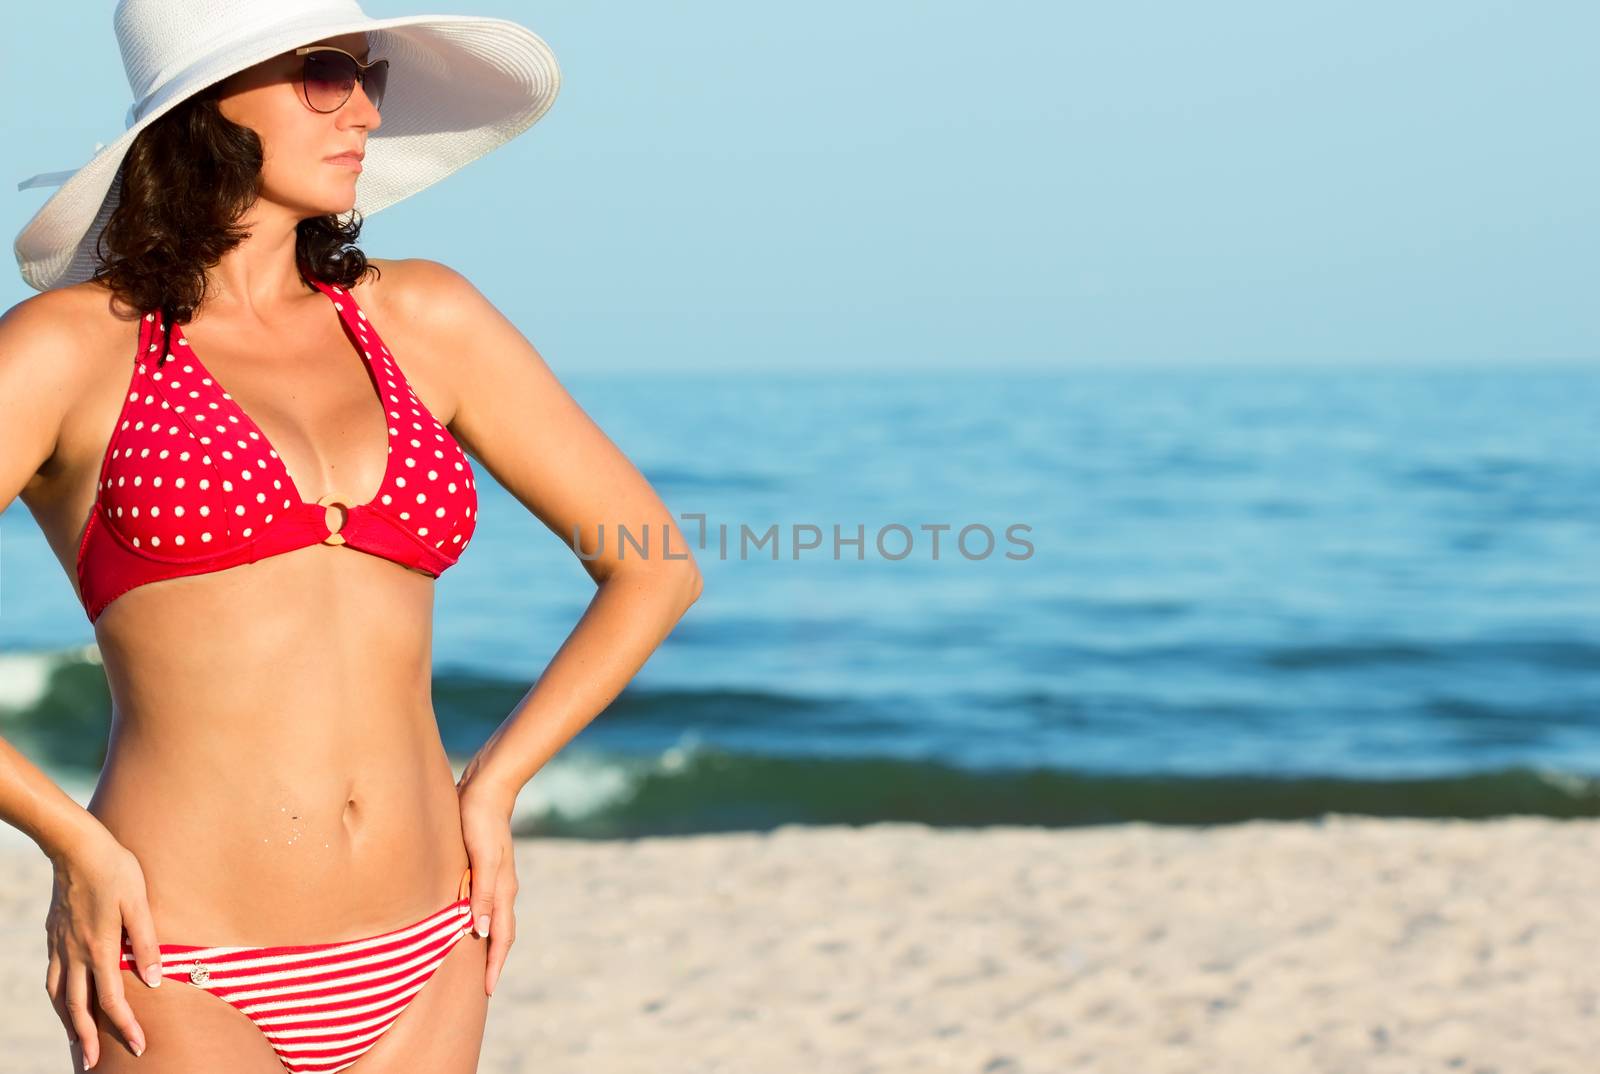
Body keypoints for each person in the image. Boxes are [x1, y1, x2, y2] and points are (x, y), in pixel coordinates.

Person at [0, 2, 702, 1070]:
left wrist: (499, 782)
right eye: (327, 75)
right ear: (205, 109)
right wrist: (71, 841)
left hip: (431, 941)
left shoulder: (425, 318)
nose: (367, 110)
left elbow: (651, 564)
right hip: (180, 954)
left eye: (369, 77)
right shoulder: (72, 348)